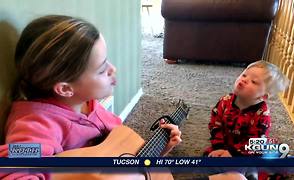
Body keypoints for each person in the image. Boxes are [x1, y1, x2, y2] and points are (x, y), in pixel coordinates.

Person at [0, 15, 182, 179]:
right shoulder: (35, 126)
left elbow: (118, 153)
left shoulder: (90, 106)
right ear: (65, 89)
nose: (113, 69)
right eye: (102, 69)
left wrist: (158, 151)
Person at [204, 60, 289, 179]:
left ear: (263, 96)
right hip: (225, 145)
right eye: (244, 75)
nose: (244, 79)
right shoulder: (225, 101)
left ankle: (252, 173)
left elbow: (255, 141)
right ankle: (239, 173)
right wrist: (220, 148)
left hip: (249, 151)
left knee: (278, 154)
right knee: (208, 157)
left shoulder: (262, 114)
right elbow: (215, 126)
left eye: (253, 81)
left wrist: (233, 153)